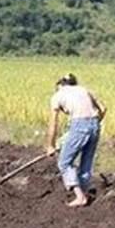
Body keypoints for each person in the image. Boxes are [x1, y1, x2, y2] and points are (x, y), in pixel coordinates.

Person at [45, 74, 107, 207]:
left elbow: (53, 123)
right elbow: (103, 109)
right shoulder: (85, 90)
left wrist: (50, 146)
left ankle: (80, 197)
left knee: (64, 163)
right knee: (86, 161)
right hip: (95, 124)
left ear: (60, 85)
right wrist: (92, 125)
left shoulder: (58, 95)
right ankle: (85, 190)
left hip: (79, 125)